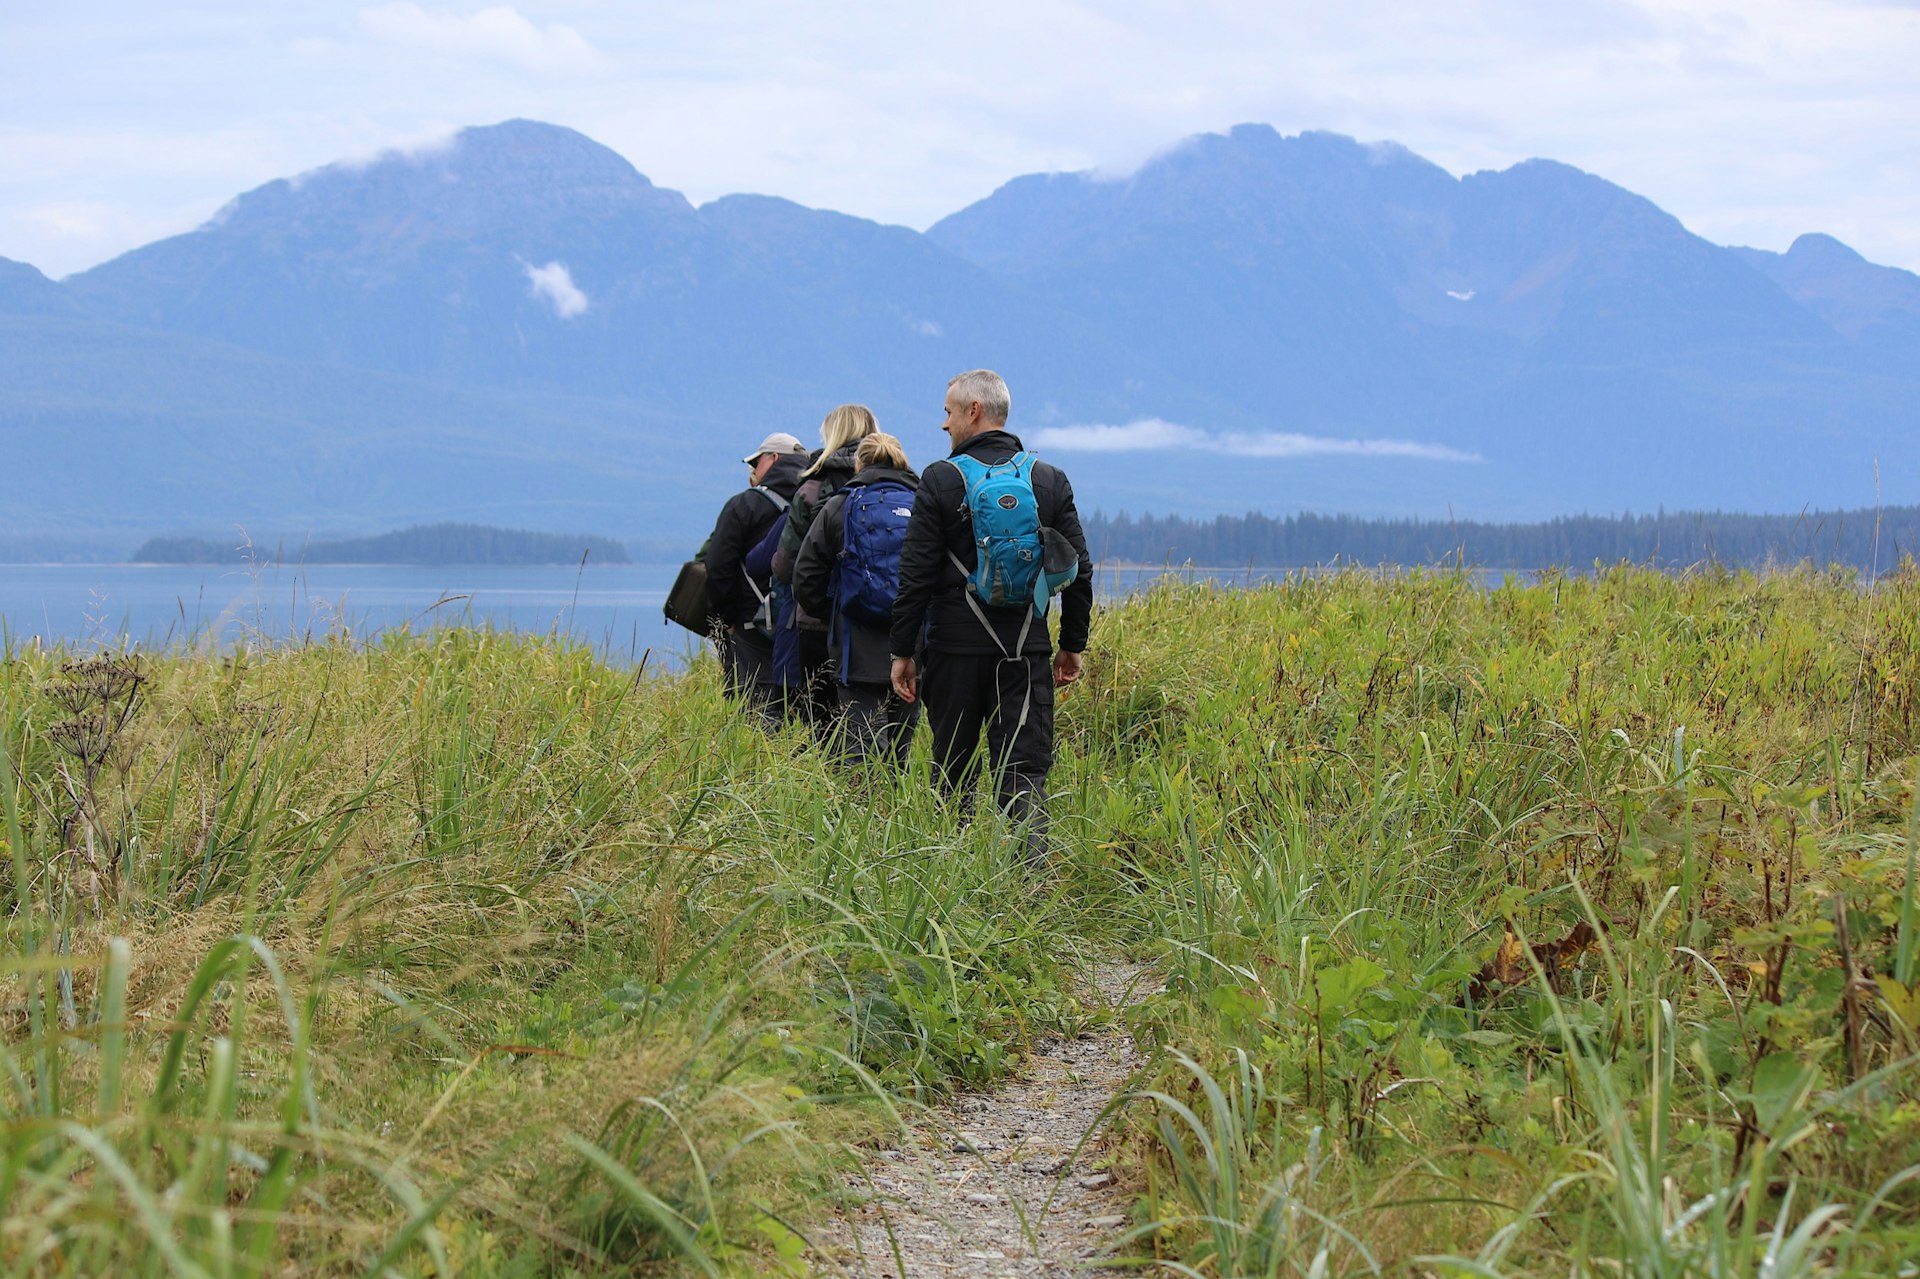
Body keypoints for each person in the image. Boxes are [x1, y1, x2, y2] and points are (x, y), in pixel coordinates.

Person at [888, 370, 1093, 864]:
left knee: (953, 770)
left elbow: (915, 576)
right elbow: (1079, 568)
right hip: (1026, 652)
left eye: (948, 412)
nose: (945, 424)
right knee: (1023, 774)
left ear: (973, 411)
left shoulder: (939, 479)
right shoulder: (1048, 479)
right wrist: (1072, 644)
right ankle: (1029, 889)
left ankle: (949, 883)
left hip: (955, 653)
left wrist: (902, 652)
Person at [793, 432, 923, 765]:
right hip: (913, 647)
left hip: (856, 648)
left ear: (859, 464)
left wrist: (835, 612)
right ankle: (898, 813)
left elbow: (804, 576)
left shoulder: (842, 503)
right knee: (899, 753)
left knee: (859, 753)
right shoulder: (924, 504)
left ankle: (861, 813)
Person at [774, 405, 878, 729]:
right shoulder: (897, 485)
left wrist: (822, 607)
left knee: (822, 724)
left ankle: (827, 779)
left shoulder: (812, 485)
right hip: (881, 620)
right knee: (876, 722)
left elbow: (785, 563)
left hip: (818, 625)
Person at [704, 430, 809, 719]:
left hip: (750, 626)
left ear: (773, 458)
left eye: (756, 462)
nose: (753, 470)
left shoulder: (744, 504)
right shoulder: (817, 498)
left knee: (753, 711)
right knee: (802, 713)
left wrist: (725, 621)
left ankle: (756, 764)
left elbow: (717, 566)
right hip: (803, 624)